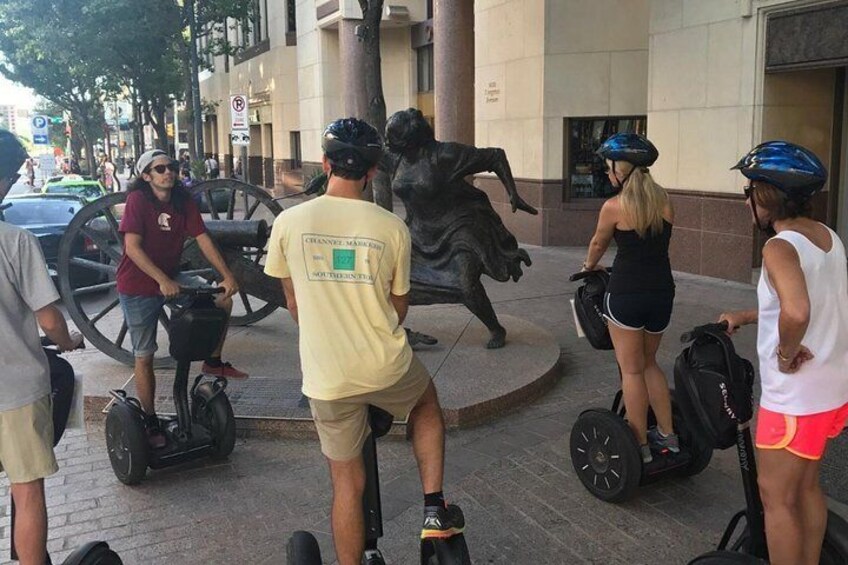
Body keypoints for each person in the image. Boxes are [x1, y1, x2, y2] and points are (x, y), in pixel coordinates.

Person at [265, 118, 465, 565]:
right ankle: (434, 509)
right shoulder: (391, 226)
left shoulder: (290, 223)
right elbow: (399, 307)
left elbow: (294, 304)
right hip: (384, 365)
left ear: (325, 163)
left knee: (346, 484)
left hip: (329, 376)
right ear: (374, 172)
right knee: (426, 405)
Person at [719, 141, 848, 565]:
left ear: (765, 196)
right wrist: (749, 315)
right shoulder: (828, 237)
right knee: (807, 487)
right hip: (831, 392)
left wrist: (784, 355)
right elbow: (799, 302)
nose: (746, 202)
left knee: (776, 499)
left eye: (748, 192)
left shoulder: (778, 247)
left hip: (794, 400)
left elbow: (797, 310)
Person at [117, 149, 248, 448]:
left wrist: (226, 276)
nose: (168, 173)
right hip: (138, 284)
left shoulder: (182, 201)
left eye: (172, 167)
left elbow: (203, 238)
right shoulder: (138, 201)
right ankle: (149, 419)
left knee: (221, 299)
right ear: (146, 175)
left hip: (172, 277)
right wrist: (161, 280)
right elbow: (133, 248)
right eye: (160, 168)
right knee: (144, 353)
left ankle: (213, 361)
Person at [380, 108, 537, 349]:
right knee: (391, 277)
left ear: (412, 140)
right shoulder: (396, 157)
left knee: (466, 285)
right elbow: (361, 154)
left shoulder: (445, 154)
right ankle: (395, 328)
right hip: (419, 231)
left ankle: (496, 328)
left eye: (394, 141)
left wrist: (513, 194)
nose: (389, 145)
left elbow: (495, 156)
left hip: (459, 227)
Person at [0, 129, 82, 565]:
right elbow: (50, 320)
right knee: (27, 489)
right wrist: (68, 341)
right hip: (15, 388)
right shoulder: (15, 242)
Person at [581, 132, 677, 464]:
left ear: (622, 170)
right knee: (651, 363)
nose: (608, 174)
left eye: (610, 168)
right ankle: (668, 434)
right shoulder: (664, 200)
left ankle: (639, 446)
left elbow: (598, 244)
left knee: (631, 370)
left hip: (626, 294)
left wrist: (589, 266)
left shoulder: (613, 207)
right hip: (662, 292)